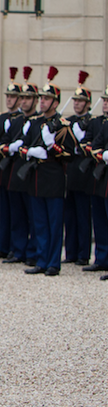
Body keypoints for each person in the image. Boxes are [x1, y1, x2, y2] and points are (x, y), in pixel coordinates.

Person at [18, 68, 77, 276]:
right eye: (41, 98)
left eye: (46, 99)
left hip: (53, 179)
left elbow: (70, 154)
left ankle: (53, 262)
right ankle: (41, 260)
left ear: (55, 102)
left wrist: (53, 147)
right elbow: (22, 148)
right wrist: (31, 152)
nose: (42, 102)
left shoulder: (62, 126)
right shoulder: (34, 123)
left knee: (53, 223)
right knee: (39, 223)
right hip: (36, 179)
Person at [3, 67, 39, 264]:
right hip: (16, 174)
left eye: (27, 98)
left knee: (33, 217)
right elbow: (5, 143)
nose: (23, 101)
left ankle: (32, 253)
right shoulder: (15, 122)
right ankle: (18, 251)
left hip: (32, 175)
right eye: (22, 98)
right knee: (17, 217)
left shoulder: (39, 122)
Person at [0, 67, 22, 260]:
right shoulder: (1, 118)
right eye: (8, 96)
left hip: (15, 168)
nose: (9, 99)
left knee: (16, 211)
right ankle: (3, 245)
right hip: (3, 168)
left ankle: (17, 248)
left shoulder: (23, 120)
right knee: (3, 210)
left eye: (13, 96)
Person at [62, 71, 95, 266]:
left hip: (84, 174)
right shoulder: (70, 122)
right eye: (75, 100)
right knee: (70, 216)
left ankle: (83, 254)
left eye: (80, 101)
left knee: (83, 215)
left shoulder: (90, 122)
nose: (76, 103)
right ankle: (71, 252)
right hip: (69, 173)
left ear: (88, 103)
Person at [88, 86, 108, 278]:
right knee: (101, 222)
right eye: (105, 100)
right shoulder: (105, 124)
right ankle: (102, 259)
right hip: (103, 180)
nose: (105, 104)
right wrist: (103, 154)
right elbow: (95, 146)